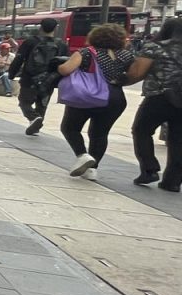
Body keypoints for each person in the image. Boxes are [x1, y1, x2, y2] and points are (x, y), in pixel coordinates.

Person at [52, 23, 146, 181]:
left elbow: (66, 69)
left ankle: (82, 155)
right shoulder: (127, 56)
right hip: (114, 97)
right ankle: (92, 170)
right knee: (99, 134)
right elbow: (131, 76)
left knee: (70, 128)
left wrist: (59, 65)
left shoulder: (87, 52)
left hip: (87, 96)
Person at [133, 18, 182, 192]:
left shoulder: (155, 46)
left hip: (159, 96)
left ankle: (149, 169)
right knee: (178, 140)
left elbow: (138, 72)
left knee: (142, 130)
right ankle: (173, 181)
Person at [8, 18, 67, 135]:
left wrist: (12, 74)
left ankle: (34, 118)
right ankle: (36, 125)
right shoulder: (61, 44)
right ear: (56, 29)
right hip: (49, 79)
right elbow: (65, 63)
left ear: (40, 27)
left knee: (24, 102)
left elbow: (19, 59)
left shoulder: (30, 41)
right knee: (42, 103)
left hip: (30, 78)